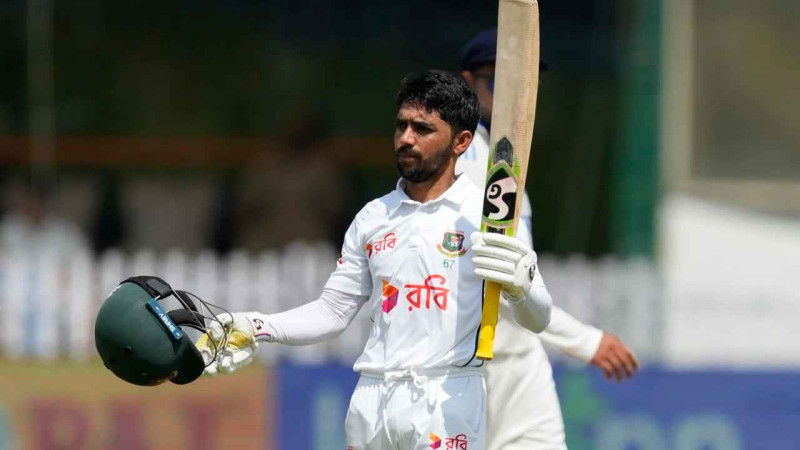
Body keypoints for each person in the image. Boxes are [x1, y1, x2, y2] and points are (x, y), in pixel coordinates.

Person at [197, 70, 554, 450]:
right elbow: (332, 312)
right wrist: (257, 325)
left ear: (461, 141)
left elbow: (539, 318)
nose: (406, 138)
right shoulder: (373, 217)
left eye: (423, 128)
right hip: (372, 398)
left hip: (447, 396)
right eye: (401, 125)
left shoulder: (487, 218)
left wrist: (522, 286)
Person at [459, 29, 639, 449]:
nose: (515, 97)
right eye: (498, 82)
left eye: (525, 85)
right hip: (472, 366)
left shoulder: (501, 158)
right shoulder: (464, 163)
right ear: (468, 83)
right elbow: (504, 280)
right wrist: (586, 341)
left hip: (520, 361)